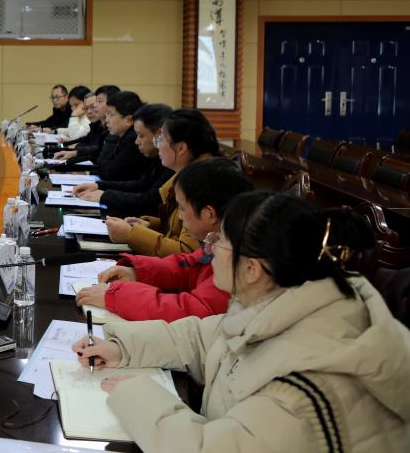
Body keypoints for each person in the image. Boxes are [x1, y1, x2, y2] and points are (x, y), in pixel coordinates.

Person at [72, 193, 410, 452]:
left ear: (251, 269)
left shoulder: (301, 389)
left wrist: (135, 395)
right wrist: (122, 348)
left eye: (219, 241)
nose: (209, 249)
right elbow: (204, 337)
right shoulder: (280, 300)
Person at [74, 157, 253, 322]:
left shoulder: (235, 256)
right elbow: (187, 266)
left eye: (182, 208)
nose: (180, 216)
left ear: (209, 213)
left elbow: (191, 311)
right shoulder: (220, 239)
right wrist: (137, 273)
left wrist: (117, 296)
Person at [103, 108, 221, 257]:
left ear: (181, 148)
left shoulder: (204, 181)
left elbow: (187, 253)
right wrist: (149, 225)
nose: (157, 145)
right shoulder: (190, 173)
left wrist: (131, 235)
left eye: (161, 139)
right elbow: (177, 229)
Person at [72, 103, 174, 216]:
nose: (137, 141)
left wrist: (105, 196)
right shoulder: (156, 157)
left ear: (159, 135)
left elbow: (151, 201)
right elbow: (141, 185)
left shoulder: (171, 163)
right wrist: (99, 186)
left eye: (141, 135)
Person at [94, 90, 151, 182]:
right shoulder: (123, 135)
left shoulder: (133, 139)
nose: (107, 120)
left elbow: (110, 174)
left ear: (129, 120)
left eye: (111, 115)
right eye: (107, 114)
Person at [54, 85, 118, 161]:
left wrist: (74, 148)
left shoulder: (112, 128)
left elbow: (97, 148)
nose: (89, 111)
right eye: (86, 108)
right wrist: (64, 145)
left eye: (93, 106)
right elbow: (84, 140)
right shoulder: (96, 125)